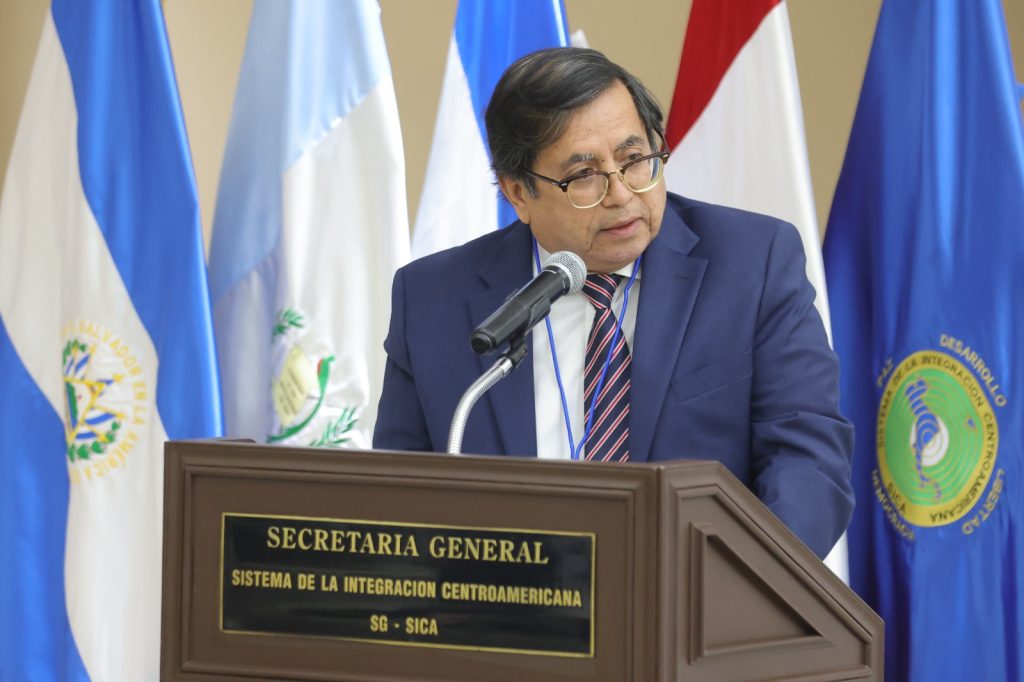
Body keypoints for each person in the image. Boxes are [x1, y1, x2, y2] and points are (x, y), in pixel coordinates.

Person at [373, 47, 853, 559]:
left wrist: (733, 585)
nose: (621, 194)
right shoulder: (433, 300)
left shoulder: (751, 264)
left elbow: (809, 462)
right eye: (584, 176)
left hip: (700, 596)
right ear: (518, 193)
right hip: (508, 602)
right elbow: (396, 498)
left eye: (635, 160)